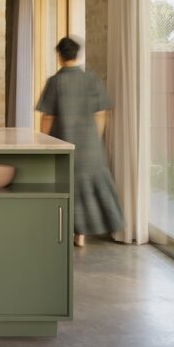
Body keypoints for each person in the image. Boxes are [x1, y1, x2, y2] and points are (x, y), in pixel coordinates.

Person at [37, 37, 123, 247]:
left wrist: (44, 142)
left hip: (64, 141)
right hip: (90, 144)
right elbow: (101, 112)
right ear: (77, 55)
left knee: (68, 186)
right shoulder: (91, 79)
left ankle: (72, 231)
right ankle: (83, 234)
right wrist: (96, 137)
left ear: (59, 56)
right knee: (90, 186)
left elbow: (48, 117)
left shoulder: (55, 82)